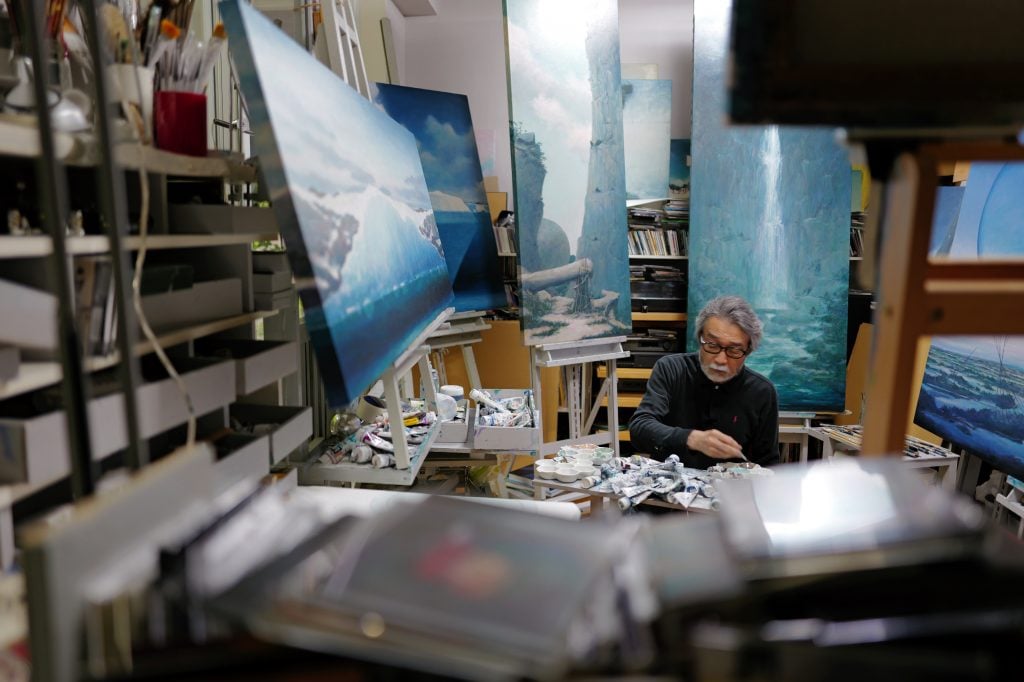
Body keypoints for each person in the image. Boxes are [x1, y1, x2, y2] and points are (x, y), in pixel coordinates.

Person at [629, 295, 780, 468]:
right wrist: (691, 438)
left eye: (734, 350)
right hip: (668, 485)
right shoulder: (672, 369)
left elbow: (769, 464)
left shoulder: (762, 392)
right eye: (712, 345)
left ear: (749, 351)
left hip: (730, 490)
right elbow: (639, 428)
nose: (721, 359)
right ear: (700, 338)